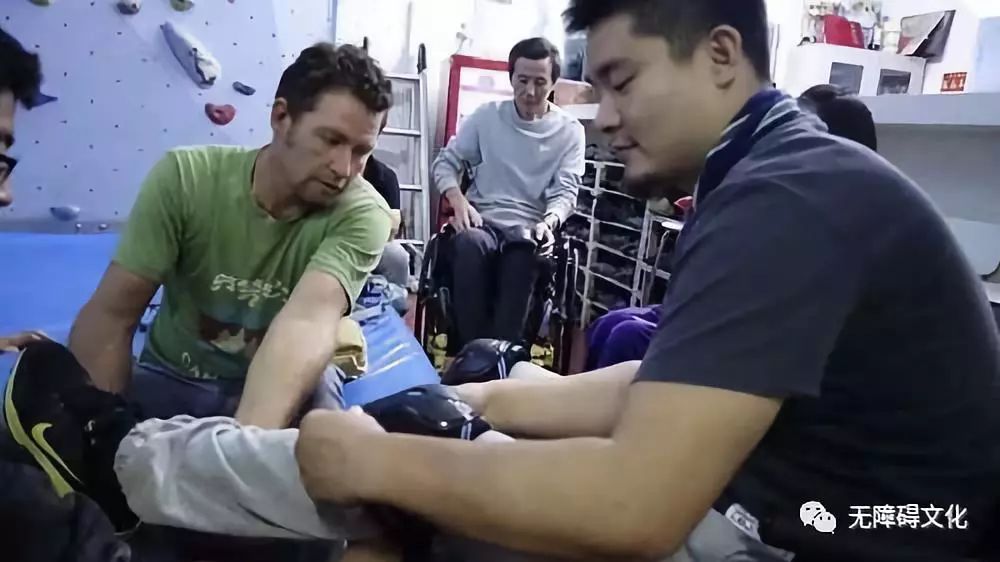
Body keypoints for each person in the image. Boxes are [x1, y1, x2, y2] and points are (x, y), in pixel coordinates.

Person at [7, 2, 1000, 560]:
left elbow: (634, 506)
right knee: (438, 421)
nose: (601, 115)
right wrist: (476, 400)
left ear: (722, 56)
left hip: (817, 540)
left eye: (620, 81)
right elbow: (670, 384)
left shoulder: (785, 197)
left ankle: (120, 457)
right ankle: (131, 456)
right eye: (591, 88)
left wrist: (384, 460)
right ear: (277, 120)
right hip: (808, 518)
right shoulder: (779, 177)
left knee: (409, 474)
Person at [67, 43, 395, 430]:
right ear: (281, 117)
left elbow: (307, 322)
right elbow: (112, 316)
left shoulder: (363, 213)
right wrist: (104, 430)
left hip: (283, 387)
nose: (344, 168)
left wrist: (240, 448)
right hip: (174, 376)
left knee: (324, 431)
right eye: (331, 140)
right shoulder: (186, 179)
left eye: (361, 151)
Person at [584, 83, 882, 371]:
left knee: (627, 337)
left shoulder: (847, 223)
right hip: (722, 313)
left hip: (761, 341)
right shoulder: (784, 192)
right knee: (609, 324)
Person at [432, 37, 586, 349]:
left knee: (524, 253)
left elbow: (566, 191)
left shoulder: (570, 131)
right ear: (511, 77)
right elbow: (446, 163)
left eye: (540, 82)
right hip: (482, 221)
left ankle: (502, 354)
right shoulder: (486, 117)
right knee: (468, 245)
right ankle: (472, 353)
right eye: (522, 80)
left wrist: (550, 221)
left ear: (554, 82)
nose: (529, 91)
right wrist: (457, 200)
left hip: (531, 227)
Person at [365, 113, 411, 289]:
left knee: (397, 256)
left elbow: (392, 230)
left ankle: (393, 301)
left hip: (370, 242)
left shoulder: (385, 178)